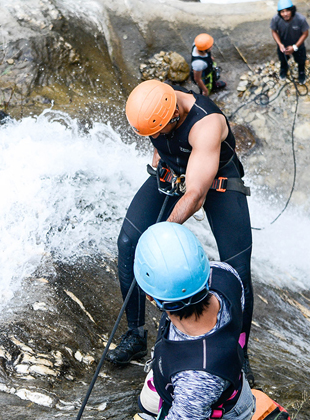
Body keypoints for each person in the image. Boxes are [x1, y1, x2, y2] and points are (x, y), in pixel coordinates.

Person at [106, 79, 255, 386]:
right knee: (128, 243)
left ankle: (239, 354)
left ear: (173, 117)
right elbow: (159, 143)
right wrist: (160, 165)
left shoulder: (206, 123)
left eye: (156, 131)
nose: (152, 136)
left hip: (216, 183)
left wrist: (162, 232)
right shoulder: (152, 102)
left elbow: (196, 195)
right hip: (173, 170)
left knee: (237, 267)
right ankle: (135, 334)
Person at [133, 222, 256, 420]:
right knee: (146, 403)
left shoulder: (196, 380)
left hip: (214, 408)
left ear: (149, 297)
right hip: (212, 381)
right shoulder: (225, 274)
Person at [270, 0, 310, 84]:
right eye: (282, 11)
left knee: (301, 60)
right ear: (279, 12)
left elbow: (305, 33)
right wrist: (280, 44)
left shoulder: (300, 19)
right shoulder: (276, 19)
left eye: (287, 10)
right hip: (283, 44)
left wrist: (295, 47)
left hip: (298, 45)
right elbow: (274, 31)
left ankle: (301, 72)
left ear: (292, 10)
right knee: (283, 59)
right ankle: (284, 69)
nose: (285, 14)